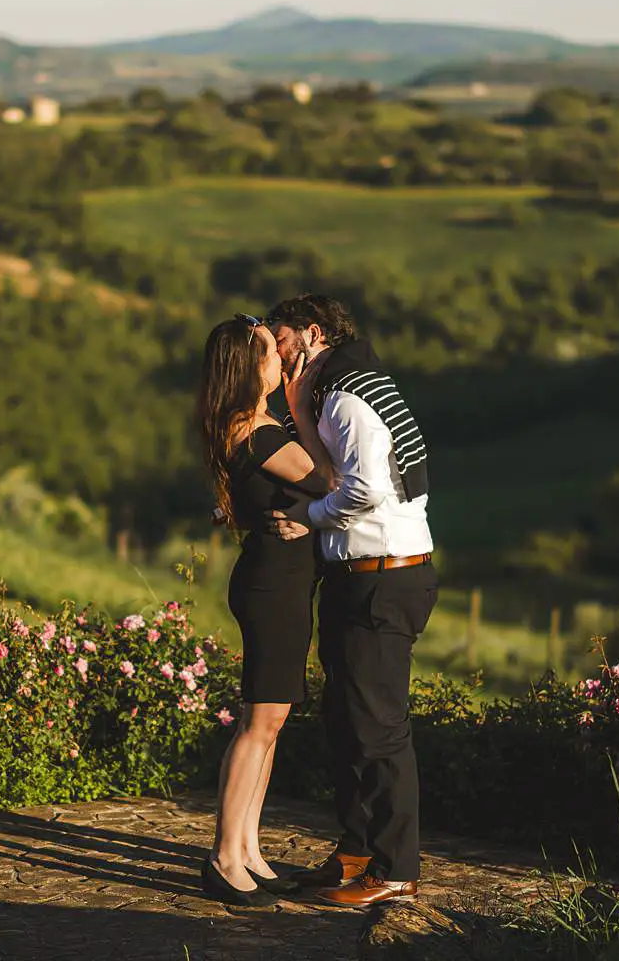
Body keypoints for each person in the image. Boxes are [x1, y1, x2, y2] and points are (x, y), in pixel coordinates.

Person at [263, 294, 438, 908]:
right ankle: (357, 851)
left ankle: (395, 870)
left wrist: (308, 517)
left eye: (280, 336)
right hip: (361, 575)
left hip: (383, 577)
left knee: (378, 728)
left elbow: (365, 487)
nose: (273, 347)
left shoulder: (346, 395)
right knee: (347, 721)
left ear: (312, 333)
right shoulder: (331, 391)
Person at [194, 312, 334, 906]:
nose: (281, 358)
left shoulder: (257, 423)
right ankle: (225, 857)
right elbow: (329, 477)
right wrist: (301, 401)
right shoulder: (255, 430)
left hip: (281, 582)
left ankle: (248, 849)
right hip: (272, 586)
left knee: (270, 722)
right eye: (270, 353)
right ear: (250, 368)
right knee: (259, 723)